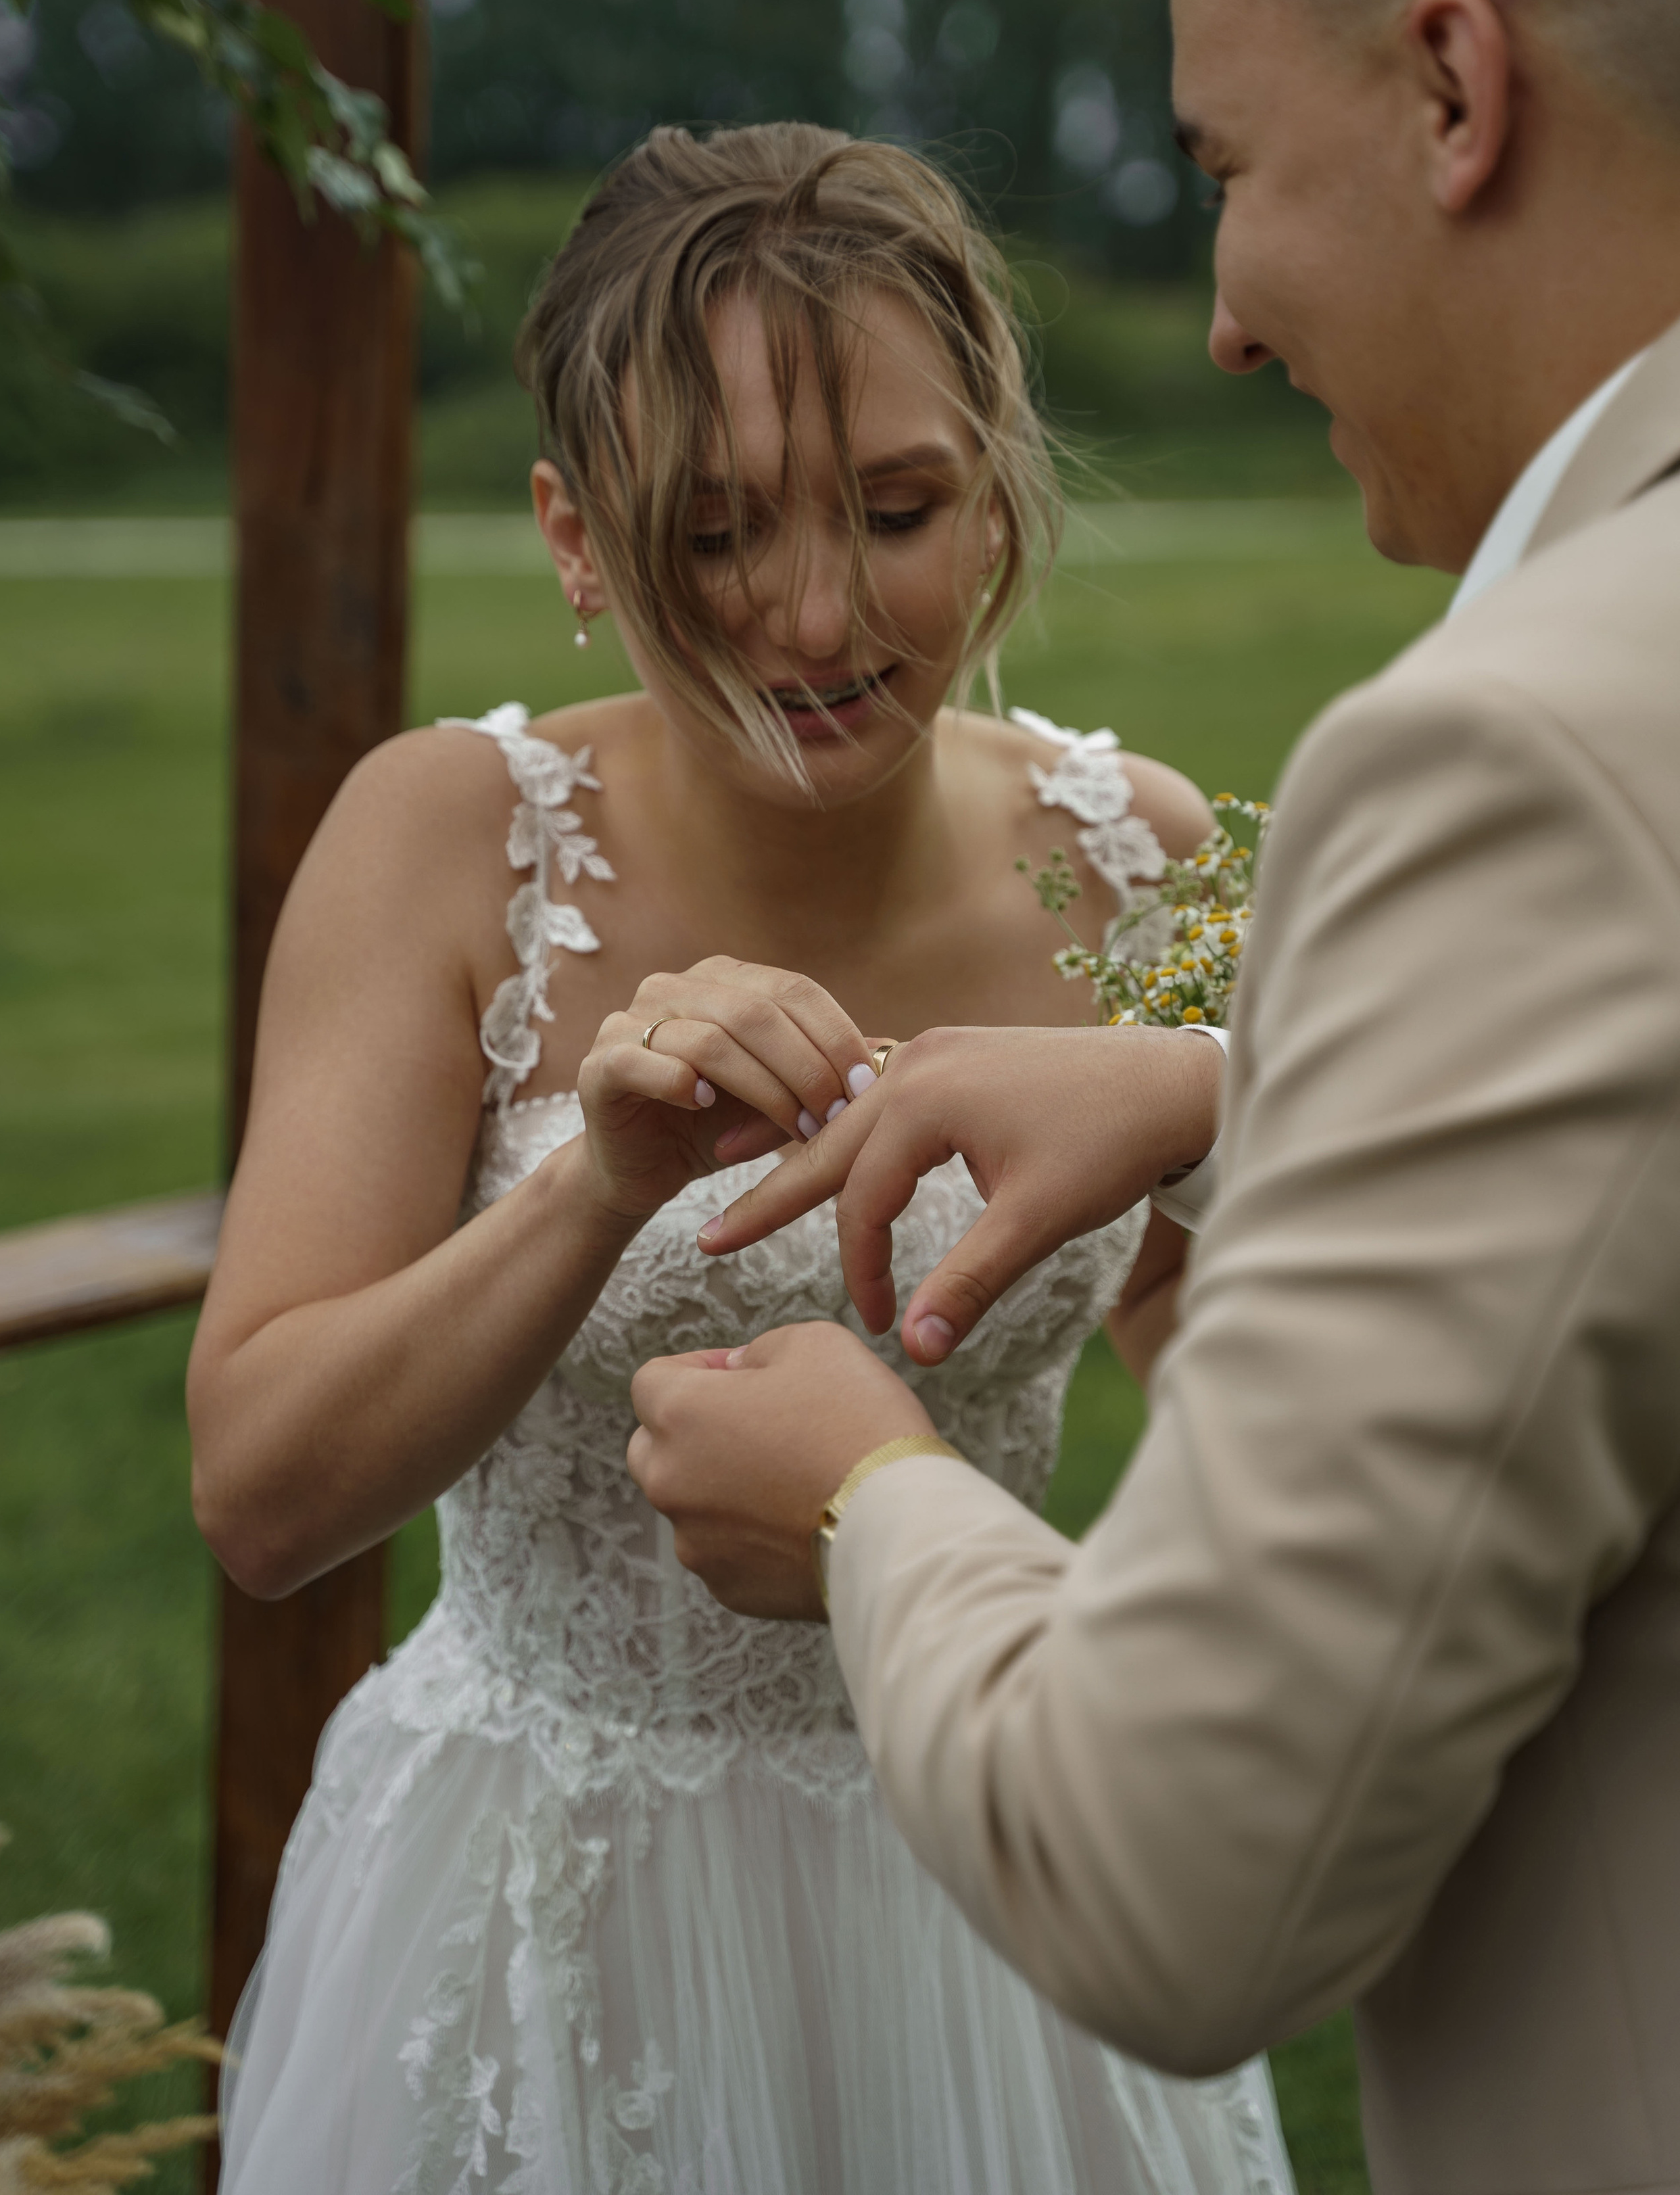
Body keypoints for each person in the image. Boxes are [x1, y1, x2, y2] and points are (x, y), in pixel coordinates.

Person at [627, 0, 1680, 2188]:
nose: (1221, 319)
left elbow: (1189, 1876)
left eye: (1227, 172)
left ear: (1455, 90)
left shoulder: (1489, 762)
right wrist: (1226, 1089)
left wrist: (870, 1496)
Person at [189, 122, 1295, 2194]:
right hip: (548, 1894)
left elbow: (1250, 1366)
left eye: (898, 509)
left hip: (992, 1854)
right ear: (574, 537)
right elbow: (259, 1495)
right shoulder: (445, 838)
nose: (815, 614)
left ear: (996, 486)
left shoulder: (1150, 854)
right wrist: (594, 1186)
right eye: (714, 534)